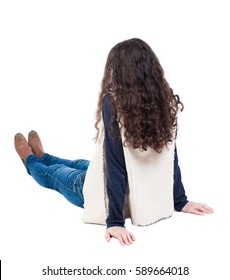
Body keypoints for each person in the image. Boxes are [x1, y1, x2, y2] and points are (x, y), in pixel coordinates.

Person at [14, 38, 213, 246]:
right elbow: (119, 162)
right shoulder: (165, 101)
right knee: (78, 164)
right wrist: (179, 200)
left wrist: (116, 220)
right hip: (109, 180)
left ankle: (29, 159)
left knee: (53, 175)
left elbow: (163, 157)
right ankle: (43, 155)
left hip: (101, 194)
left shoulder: (117, 102)